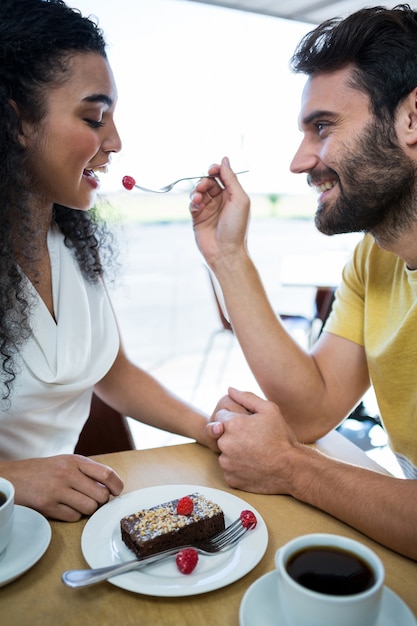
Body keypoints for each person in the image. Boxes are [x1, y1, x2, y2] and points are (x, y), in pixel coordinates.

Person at [190, 5, 417, 560]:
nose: (299, 162)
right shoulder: (375, 257)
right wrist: (228, 257)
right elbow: (312, 409)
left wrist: (291, 467)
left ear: (412, 121)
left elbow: (297, 443)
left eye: (322, 127)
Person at [0, 0, 215, 523]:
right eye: (95, 118)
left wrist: (208, 428)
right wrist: (13, 478)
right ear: (16, 123)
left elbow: (114, 373)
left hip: (60, 530)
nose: (115, 142)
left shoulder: (70, 240)